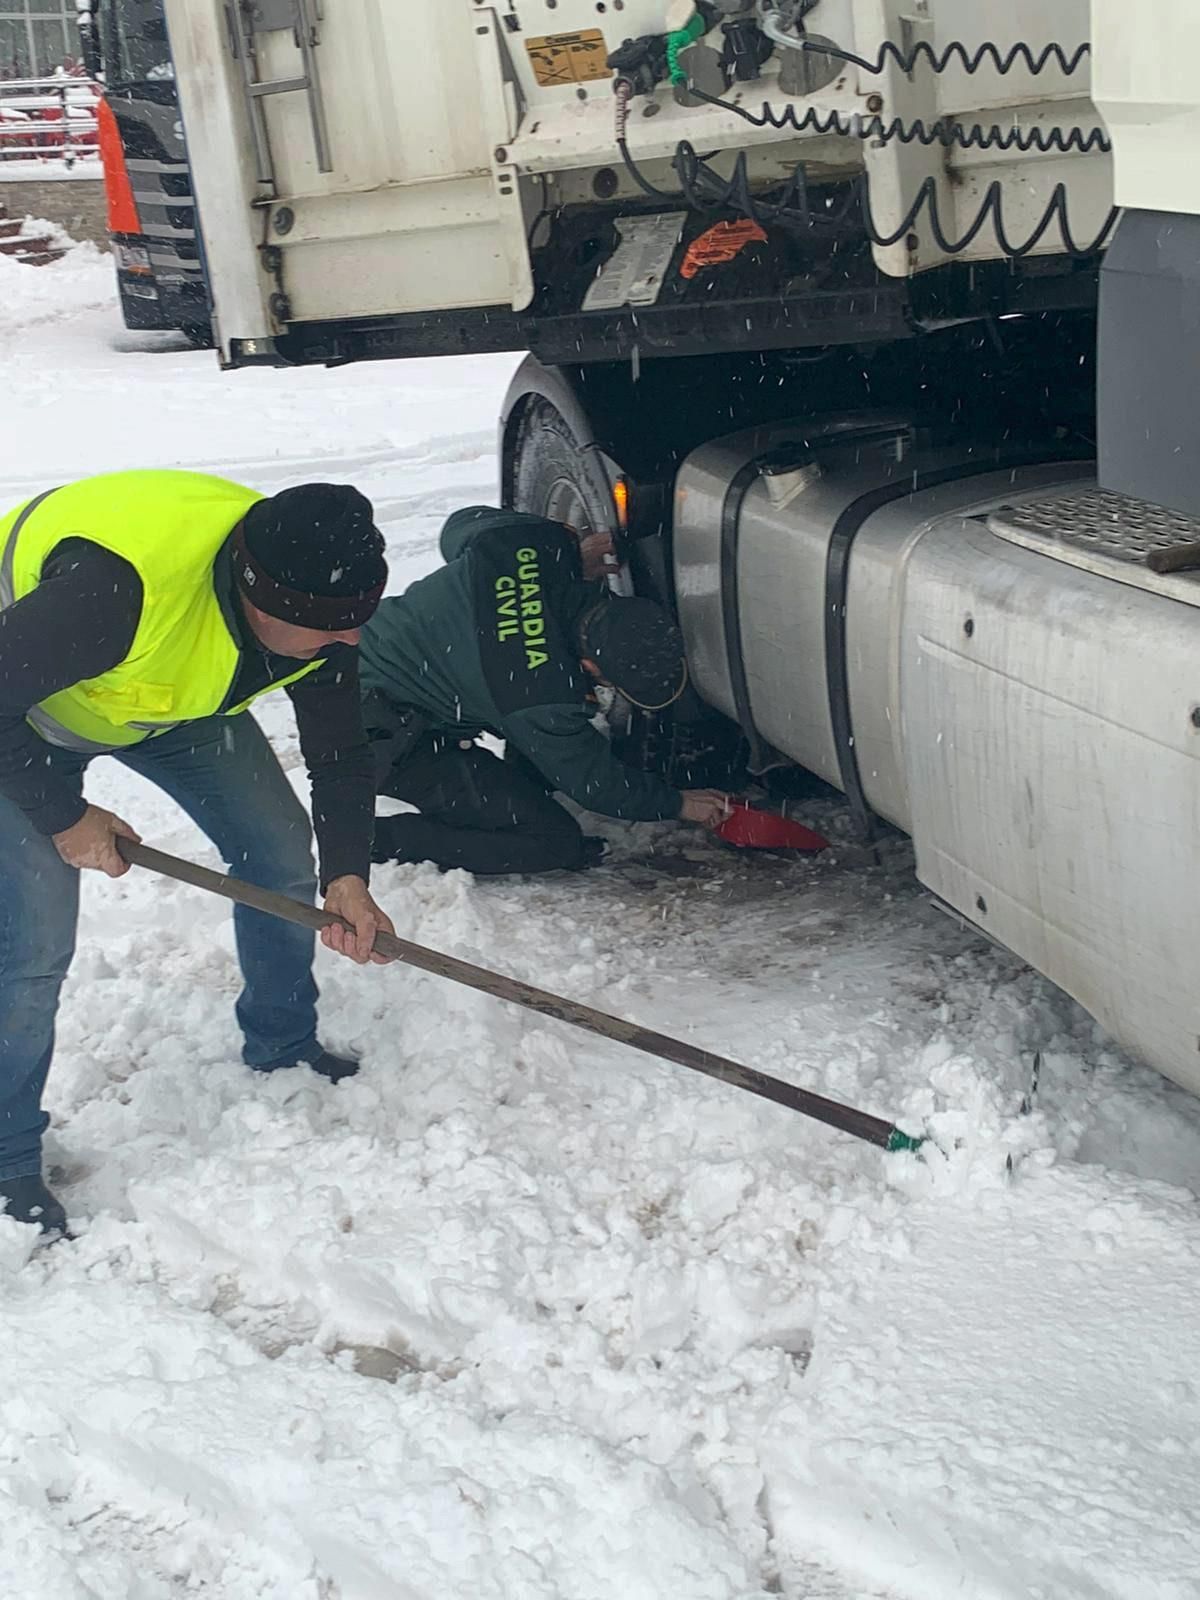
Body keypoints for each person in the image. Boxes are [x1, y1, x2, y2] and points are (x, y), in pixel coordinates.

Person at [0, 470, 397, 1236]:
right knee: (34, 944)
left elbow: (340, 752)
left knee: (280, 849)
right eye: (332, 628)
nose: (349, 642)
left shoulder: (319, 598)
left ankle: (282, 1041)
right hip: (19, 718)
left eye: (358, 622)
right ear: (261, 603)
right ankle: (6, 1157)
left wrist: (347, 876)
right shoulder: (116, 593)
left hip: (158, 701)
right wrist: (64, 814)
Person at [358, 505, 730, 877]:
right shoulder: (542, 696)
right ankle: (379, 839)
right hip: (378, 733)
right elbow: (595, 786)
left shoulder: (536, 544)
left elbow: (459, 525)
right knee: (552, 841)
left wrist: (558, 562)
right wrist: (677, 803)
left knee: (534, 755)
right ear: (587, 665)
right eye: (608, 681)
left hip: (360, 653)